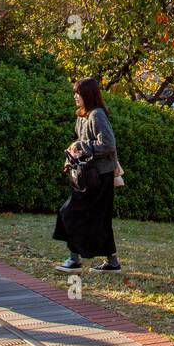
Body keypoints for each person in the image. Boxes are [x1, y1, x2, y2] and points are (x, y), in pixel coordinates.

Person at [53, 76, 121, 273]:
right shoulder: (82, 116)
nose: (75, 96)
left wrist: (82, 146)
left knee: (71, 212)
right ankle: (112, 262)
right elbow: (78, 142)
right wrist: (71, 156)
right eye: (74, 93)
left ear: (88, 95)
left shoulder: (97, 115)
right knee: (97, 218)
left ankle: (74, 259)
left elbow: (108, 144)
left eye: (78, 93)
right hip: (88, 176)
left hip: (100, 177)